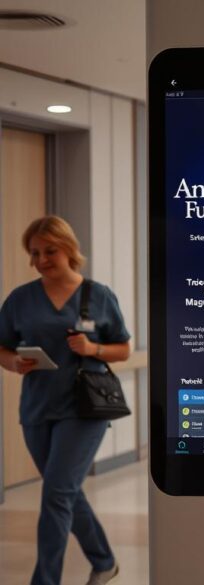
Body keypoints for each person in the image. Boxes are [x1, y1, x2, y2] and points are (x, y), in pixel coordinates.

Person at [0, 216, 131, 585]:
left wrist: (94, 348)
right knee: (66, 492)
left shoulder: (98, 295)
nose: (42, 259)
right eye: (35, 253)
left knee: (56, 493)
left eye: (50, 251)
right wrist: (12, 361)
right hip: (37, 409)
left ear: (69, 249)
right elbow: (3, 347)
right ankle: (104, 561)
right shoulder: (20, 300)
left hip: (84, 409)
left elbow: (123, 348)